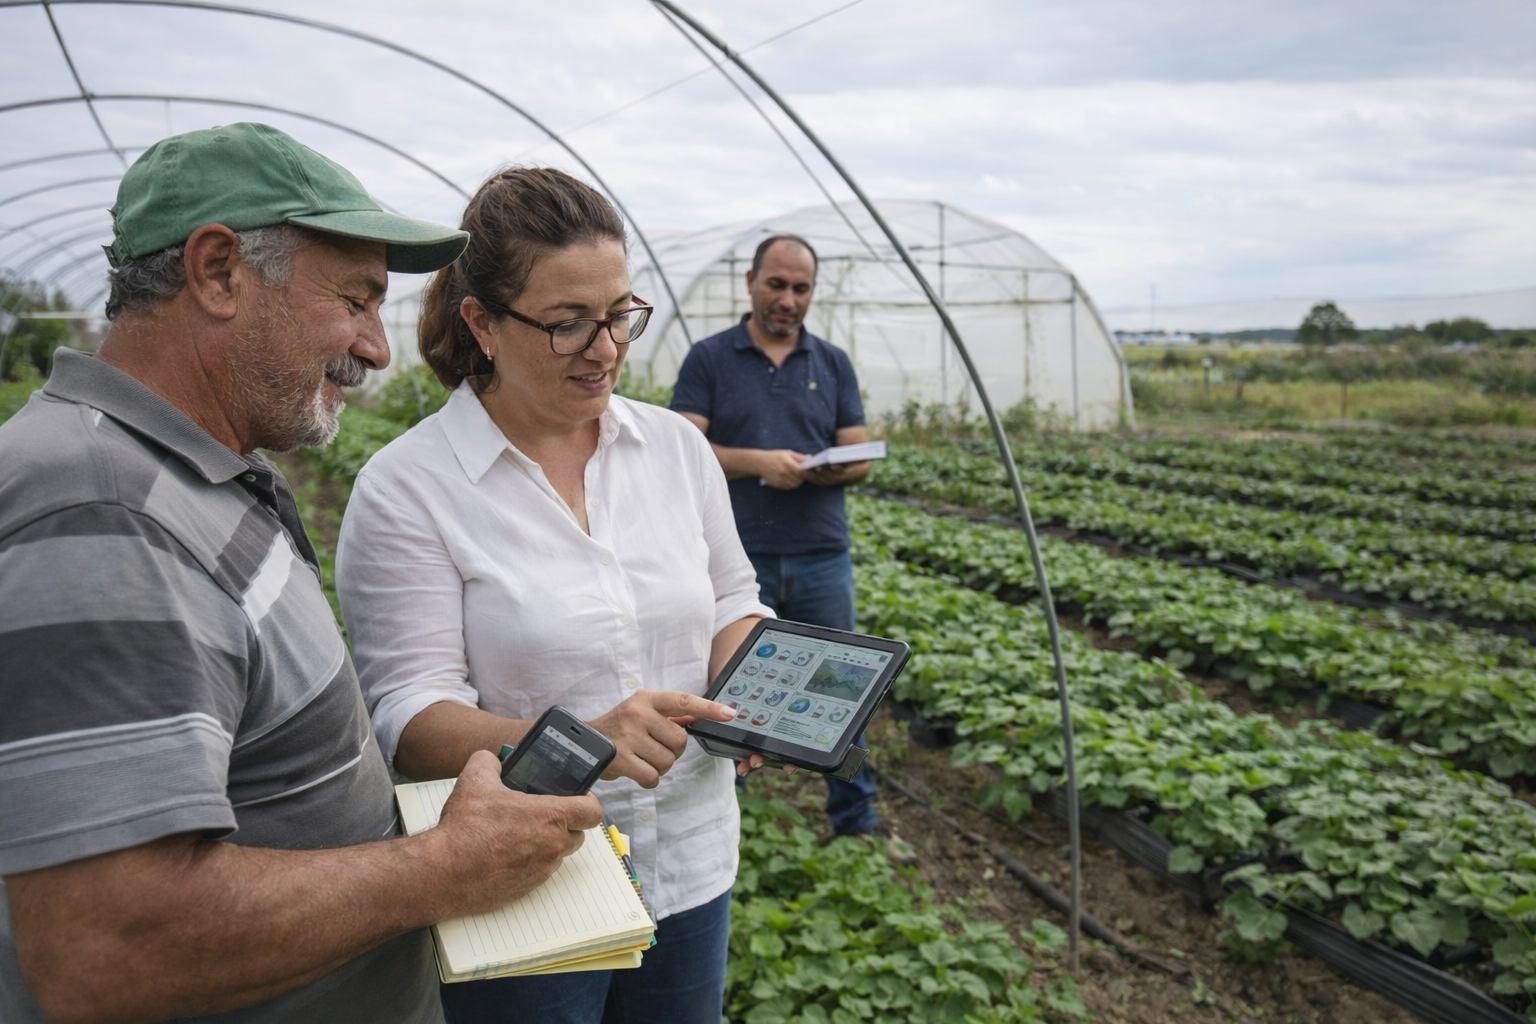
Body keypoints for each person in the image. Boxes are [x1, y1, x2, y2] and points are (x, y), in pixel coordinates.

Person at [0, 123, 605, 1024]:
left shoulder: (190, 471)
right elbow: (107, 947)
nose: (377, 347)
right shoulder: (105, 514)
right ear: (217, 273)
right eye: (356, 300)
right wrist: (442, 868)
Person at [333, 167, 774, 1024]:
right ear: (482, 323)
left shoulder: (675, 452)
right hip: (528, 877)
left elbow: (732, 597)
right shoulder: (409, 489)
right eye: (568, 323)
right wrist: (583, 740)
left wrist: (750, 691)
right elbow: (413, 716)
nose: (604, 347)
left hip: (690, 856)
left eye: (619, 315)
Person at [670, 234, 901, 844]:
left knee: (844, 689)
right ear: (750, 281)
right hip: (737, 561)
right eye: (777, 284)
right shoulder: (710, 358)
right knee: (733, 692)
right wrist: (758, 462)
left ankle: (855, 819)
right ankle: (719, 818)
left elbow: (859, 452)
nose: (788, 299)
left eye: (801, 288)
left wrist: (831, 466)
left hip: (822, 552)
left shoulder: (830, 362)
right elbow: (684, 451)